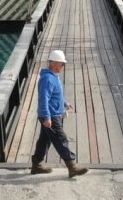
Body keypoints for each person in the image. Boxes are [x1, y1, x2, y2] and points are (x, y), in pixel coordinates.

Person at [31, 50, 88, 178]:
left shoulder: (53, 77)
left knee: (44, 141)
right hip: (50, 115)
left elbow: (56, 96)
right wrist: (46, 117)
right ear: (55, 64)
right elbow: (43, 99)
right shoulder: (47, 79)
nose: (63, 66)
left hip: (53, 114)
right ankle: (72, 167)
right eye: (62, 64)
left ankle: (36, 166)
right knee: (61, 139)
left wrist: (64, 103)